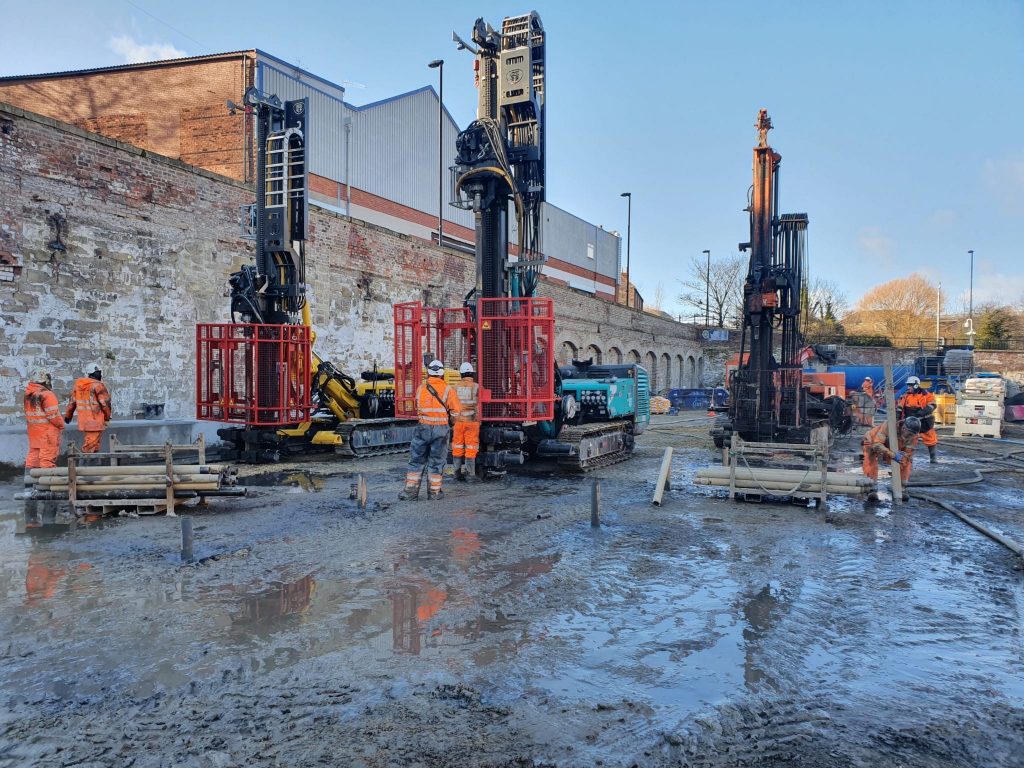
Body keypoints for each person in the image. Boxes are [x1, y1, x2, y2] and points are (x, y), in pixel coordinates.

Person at [399, 359, 461, 501]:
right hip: (441, 430)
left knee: (416, 460)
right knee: (437, 461)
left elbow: (417, 407)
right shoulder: (448, 390)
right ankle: (434, 493)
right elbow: (456, 411)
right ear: (442, 373)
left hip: (423, 428)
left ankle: (410, 492)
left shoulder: (421, 388)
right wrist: (450, 423)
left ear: (429, 373)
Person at [862, 416, 921, 501]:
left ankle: (901, 487)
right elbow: (877, 445)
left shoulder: (914, 435)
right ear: (904, 428)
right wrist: (892, 454)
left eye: (913, 435)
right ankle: (871, 488)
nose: (910, 437)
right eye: (909, 434)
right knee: (870, 460)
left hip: (890, 446)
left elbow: (908, 453)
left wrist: (903, 457)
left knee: (906, 461)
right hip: (872, 441)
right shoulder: (889, 426)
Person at [65, 363, 112, 454]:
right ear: (92, 373)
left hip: (84, 421)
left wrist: (68, 416)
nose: (100, 374)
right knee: (89, 448)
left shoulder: (78, 386)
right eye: (98, 372)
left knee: (93, 445)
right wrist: (107, 417)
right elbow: (105, 404)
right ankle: (86, 466)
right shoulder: (98, 386)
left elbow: (72, 402)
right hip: (95, 421)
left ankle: (93, 466)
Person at [24, 370, 66, 472]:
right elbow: (53, 415)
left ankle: (29, 483)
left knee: (33, 458)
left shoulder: (28, 395)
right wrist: (61, 425)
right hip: (47, 433)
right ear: (46, 381)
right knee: (46, 459)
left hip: (34, 432)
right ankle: (46, 484)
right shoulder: (47, 394)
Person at [452, 362, 481, 482]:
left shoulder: (454, 387)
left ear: (461, 374)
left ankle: (457, 474)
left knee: (457, 446)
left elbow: (451, 405)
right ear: (472, 374)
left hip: (458, 422)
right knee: (471, 447)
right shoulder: (476, 387)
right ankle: (470, 475)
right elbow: (480, 404)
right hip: (472, 421)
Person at [898, 376, 938, 463]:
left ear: (916, 386)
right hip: (909, 422)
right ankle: (906, 458)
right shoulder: (906, 396)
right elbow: (900, 408)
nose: (908, 387)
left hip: (924, 421)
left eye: (910, 385)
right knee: (907, 439)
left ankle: (933, 458)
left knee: (930, 438)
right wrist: (897, 417)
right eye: (908, 385)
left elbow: (933, 405)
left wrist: (923, 412)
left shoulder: (926, 395)